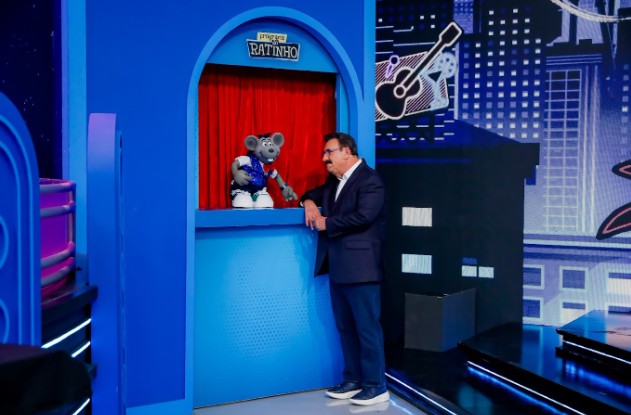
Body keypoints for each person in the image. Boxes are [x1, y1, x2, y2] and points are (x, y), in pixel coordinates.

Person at [301, 132, 388, 406]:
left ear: (347, 151)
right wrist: (309, 203)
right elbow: (311, 194)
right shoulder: (335, 182)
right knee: (346, 328)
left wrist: (328, 223)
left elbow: (364, 216)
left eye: (330, 152)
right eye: (324, 153)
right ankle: (353, 380)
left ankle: (376, 386)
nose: (324, 158)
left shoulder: (370, 180)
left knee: (367, 329)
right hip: (339, 268)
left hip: (362, 269)